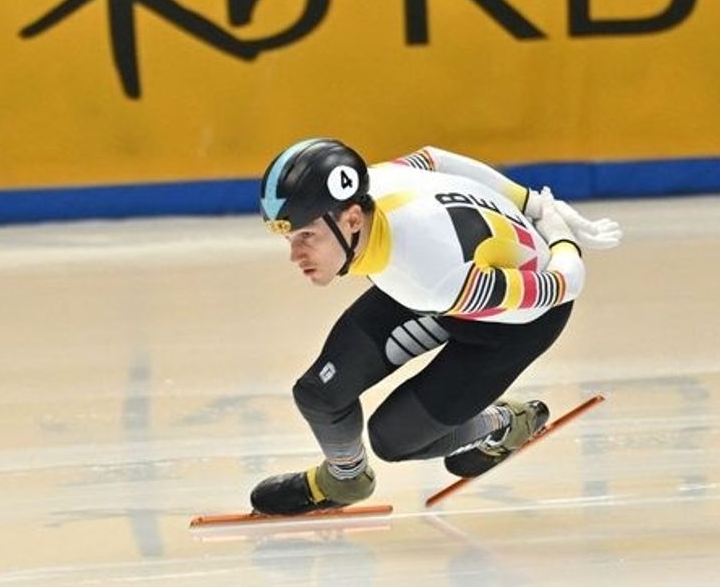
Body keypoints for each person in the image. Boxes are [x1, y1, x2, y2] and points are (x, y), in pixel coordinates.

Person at [251, 138, 621, 515]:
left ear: (351, 220)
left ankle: (505, 421)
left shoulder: (432, 275)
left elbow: (564, 285)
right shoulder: (376, 183)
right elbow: (433, 158)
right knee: (320, 394)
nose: (295, 255)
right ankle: (346, 480)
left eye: (307, 236)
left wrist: (559, 233)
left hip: (515, 324)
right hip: (450, 279)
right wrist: (534, 203)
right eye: (289, 238)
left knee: (394, 440)